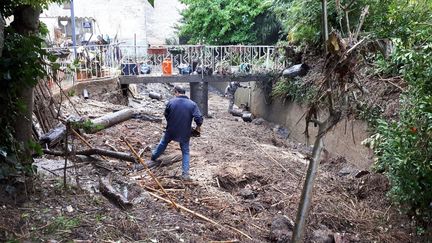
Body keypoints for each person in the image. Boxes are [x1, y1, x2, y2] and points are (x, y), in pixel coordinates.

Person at [151, 86, 203, 180]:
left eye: (174, 93)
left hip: (171, 130)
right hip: (185, 132)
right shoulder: (192, 104)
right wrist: (198, 126)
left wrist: (171, 122)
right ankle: (185, 174)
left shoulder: (171, 102)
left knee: (163, 143)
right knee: (186, 152)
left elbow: (166, 114)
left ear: (177, 92)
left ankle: (154, 157)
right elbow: (198, 118)